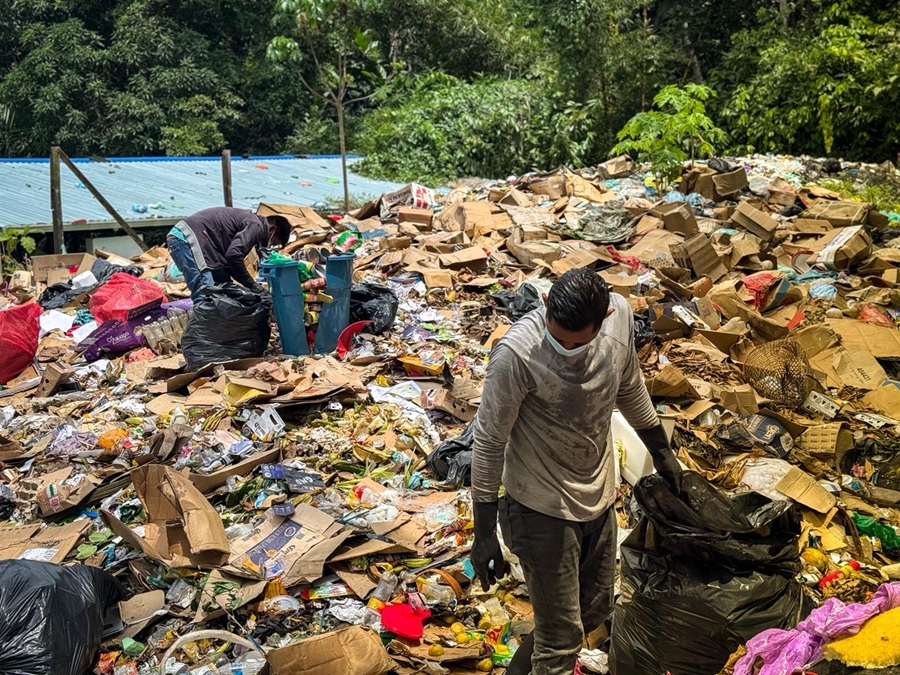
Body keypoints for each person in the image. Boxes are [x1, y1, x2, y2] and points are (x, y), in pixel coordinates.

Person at [470, 267, 680, 675]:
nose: (566, 347)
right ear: (546, 305)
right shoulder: (516, 354)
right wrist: (483, 533)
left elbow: (630, 387)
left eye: (576, 342)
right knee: (560, 639)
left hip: (597, 495)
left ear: (602, 319)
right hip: (538, 505)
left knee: (592, 608)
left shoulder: (618, 319)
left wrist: (664, 456)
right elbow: (490, 441)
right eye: (558, 338)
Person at [166, 207, 291, 300]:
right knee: (206, 293)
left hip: (196, 243)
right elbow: (234, 256)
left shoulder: (250, 223)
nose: (270, 245)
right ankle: (207, 335)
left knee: (223, 291)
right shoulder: (256, 225)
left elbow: (229, 266)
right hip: (187, 239)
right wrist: (252, 285)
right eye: (273, 242)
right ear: (272, 229)